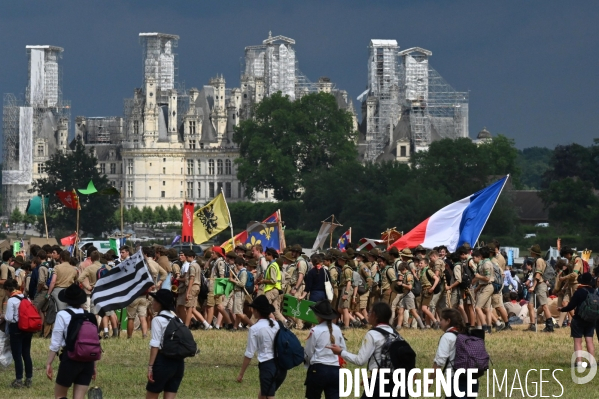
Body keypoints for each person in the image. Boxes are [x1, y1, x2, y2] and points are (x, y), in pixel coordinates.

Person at [329, 302, 406, 399]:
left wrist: (340, 352)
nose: (368, 315)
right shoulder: (395, 334)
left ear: (375, 315)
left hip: (378, 381)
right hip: (398, 381)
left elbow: (360, 360)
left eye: (369, 312)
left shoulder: (373, 334)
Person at [46, 283, 97, 399]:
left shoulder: (62, 315)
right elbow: (94, 342)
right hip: (88, 360)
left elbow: (56, 343)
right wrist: (94, 366)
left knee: (60, 395)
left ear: (66, 300)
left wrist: (49, 362)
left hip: (70, 358)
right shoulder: (89, 315)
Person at [237, 295, 287, 398]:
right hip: (282, 366)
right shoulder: (276, 324)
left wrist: (241, 373)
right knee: (263, 395)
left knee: (268, 396)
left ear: (256, 311)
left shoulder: (254, 329)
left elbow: (249, 354)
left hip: (267, 366)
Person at [146, 289, 185, 399]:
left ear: (160, 303)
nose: (153, 303)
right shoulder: (178, 320)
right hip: (178, 363)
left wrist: (150, 367)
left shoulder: (157, 320)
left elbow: (155, 345)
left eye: (155, 300)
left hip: (163, 361)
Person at [304, 300, 346, 399]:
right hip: (335, 370)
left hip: (318, 369)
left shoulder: (315, 330)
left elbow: (309, 352)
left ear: (318, 315)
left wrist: (308, 364)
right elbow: (343, 349)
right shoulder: (338, 329)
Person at [432, 308, 479, 398]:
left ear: (448, 321)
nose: (439, 322)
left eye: (441, 319)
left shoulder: (447, 336)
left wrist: (429, 381)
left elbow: (439, 362)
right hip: (473, 380)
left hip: (457, 380)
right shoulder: (466, 334)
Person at [558, 272, 596, 368]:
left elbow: (571, 306)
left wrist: (561, 309)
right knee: (589, 341)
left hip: (579, 319)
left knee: (578, 341)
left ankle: (579, 362)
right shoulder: (594, 291)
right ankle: (592, 363)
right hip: (591, 319)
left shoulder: (579, 291)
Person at [0, 278, 33, 388]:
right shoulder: (26, 298)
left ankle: (19, 380)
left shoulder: (11, 300)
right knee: (26, 354)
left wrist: (3, 316)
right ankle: (29, 379)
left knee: (17, 355)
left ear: (8, 289)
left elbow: (9, 318)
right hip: (28, 329)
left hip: (16, 329)